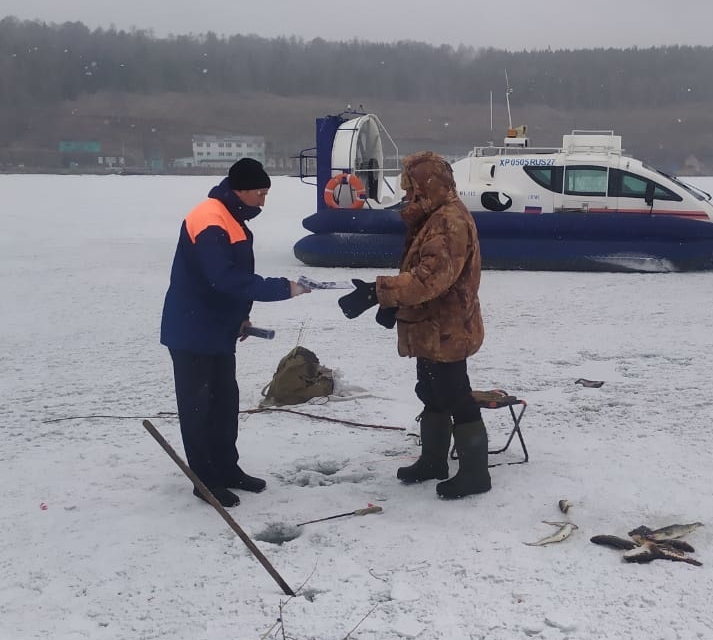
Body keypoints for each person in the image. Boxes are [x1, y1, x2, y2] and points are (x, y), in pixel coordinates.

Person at [338, 151, 489, 499]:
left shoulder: (449, 221)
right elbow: (420, 277)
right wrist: (393, 304)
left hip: (448, 328)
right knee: (431, 392)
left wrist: (380, 293)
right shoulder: (432, 217)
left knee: (455, 395)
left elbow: (430, 279)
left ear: (428, 187)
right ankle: (433, 461)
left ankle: (475, 473)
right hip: (429, 325)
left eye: (411, 190)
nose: (407, 197)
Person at [160, 157, 310, 508]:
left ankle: (228, 470)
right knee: (199, 408)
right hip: (192, 330)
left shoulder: (232, 218)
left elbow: (230, 281)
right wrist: (282, 288)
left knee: (225, 404)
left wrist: (241, 318)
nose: (263, 200)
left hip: (218, 329)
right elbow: (223, 278)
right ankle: (205, 480)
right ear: (240, 190)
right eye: (260, 192)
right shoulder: (209, 218)